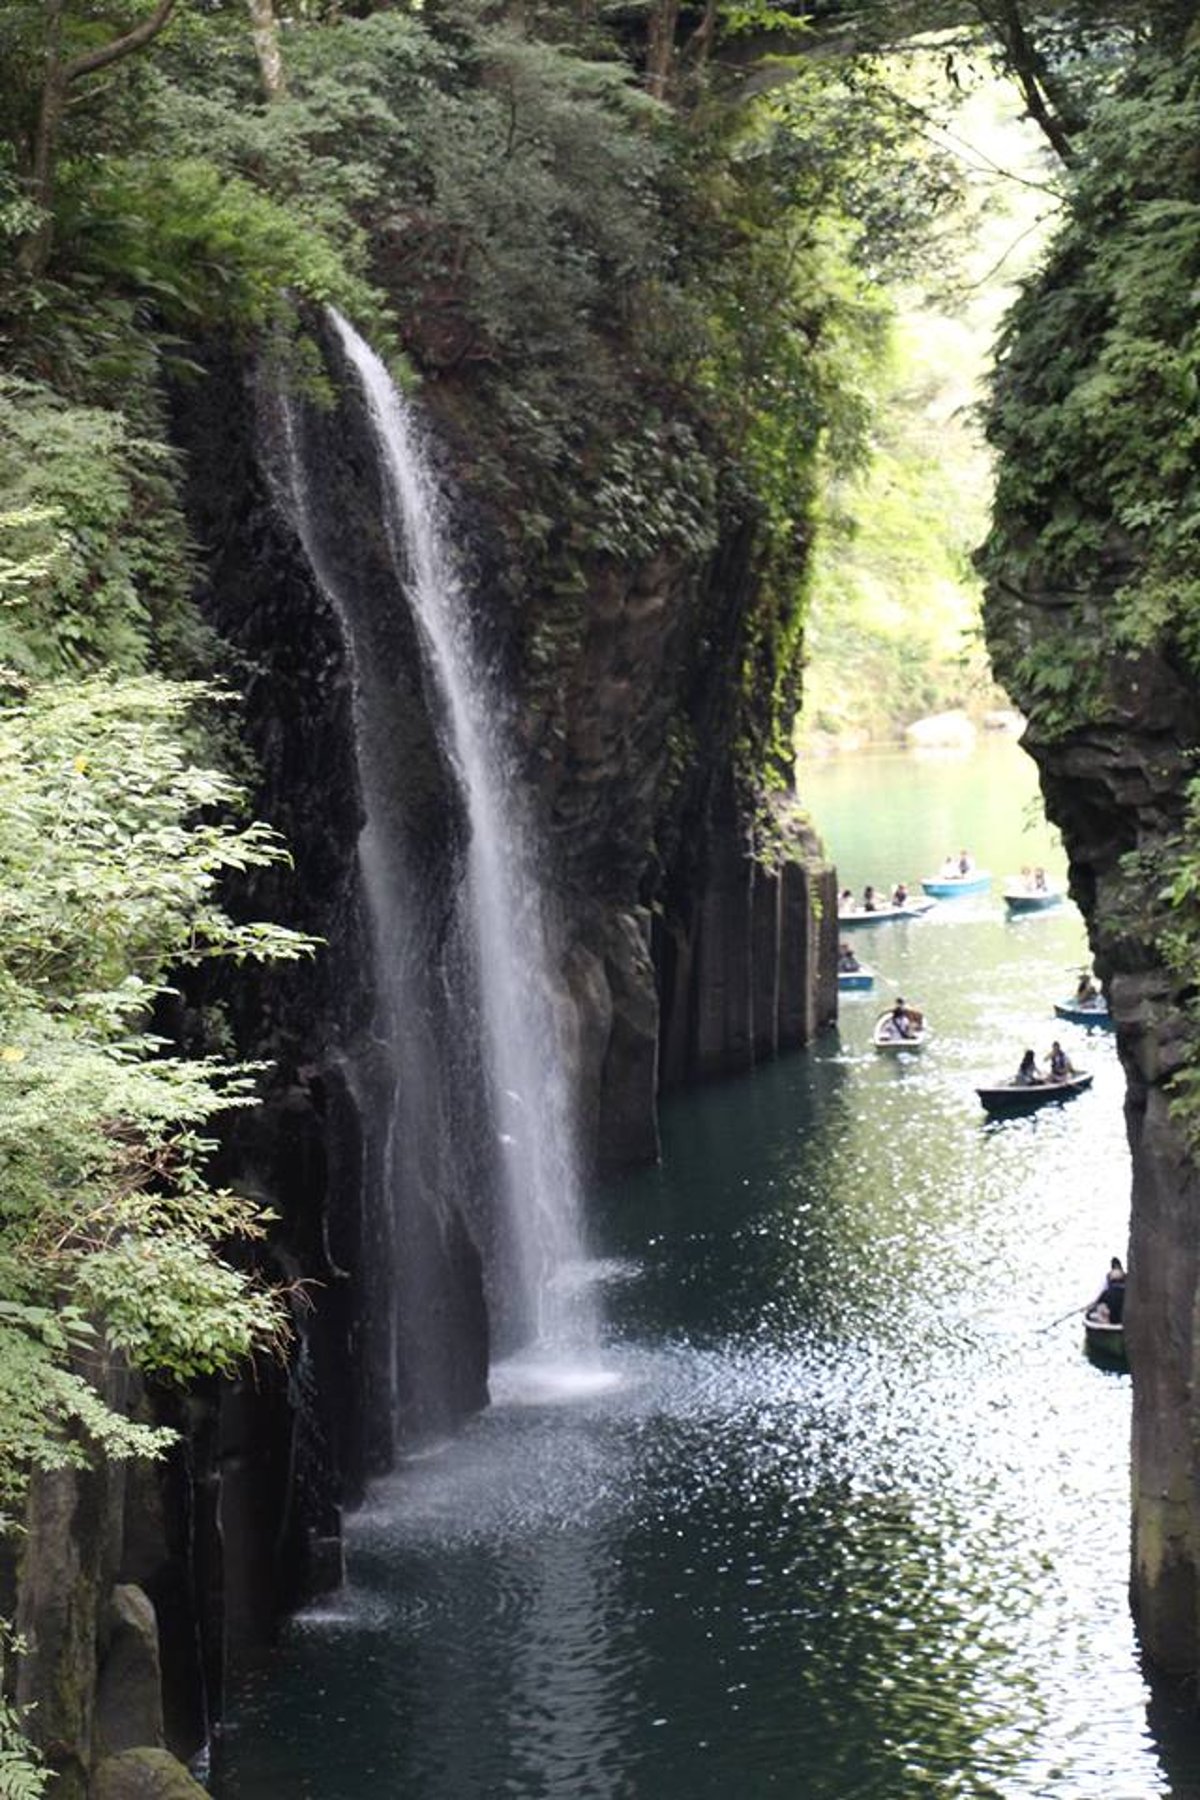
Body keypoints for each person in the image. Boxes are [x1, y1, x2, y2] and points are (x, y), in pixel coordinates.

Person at [1088, 1257, 1126, 1324]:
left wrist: (1091, 1306)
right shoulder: (1128, 1293)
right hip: (1123, 1319)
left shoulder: (1106, 1294)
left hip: (1112, 1319)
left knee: (1100, 1308)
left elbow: (1096, 1302)